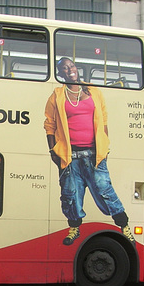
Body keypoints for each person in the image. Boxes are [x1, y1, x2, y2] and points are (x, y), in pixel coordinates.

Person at [44, 57, 134, 246]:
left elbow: (104, 119)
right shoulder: (57, 96)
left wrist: (105, 145)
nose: (70, 70)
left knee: (104, 189)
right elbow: (49, 125)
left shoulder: (93, 91)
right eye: (65, 69)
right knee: (70, 193)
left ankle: (124, 226)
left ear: (76, 68)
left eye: (72, 66)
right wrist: (53, 151)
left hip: (95, 154)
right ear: (60, 74)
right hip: (70, 157)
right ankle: (74, 228)